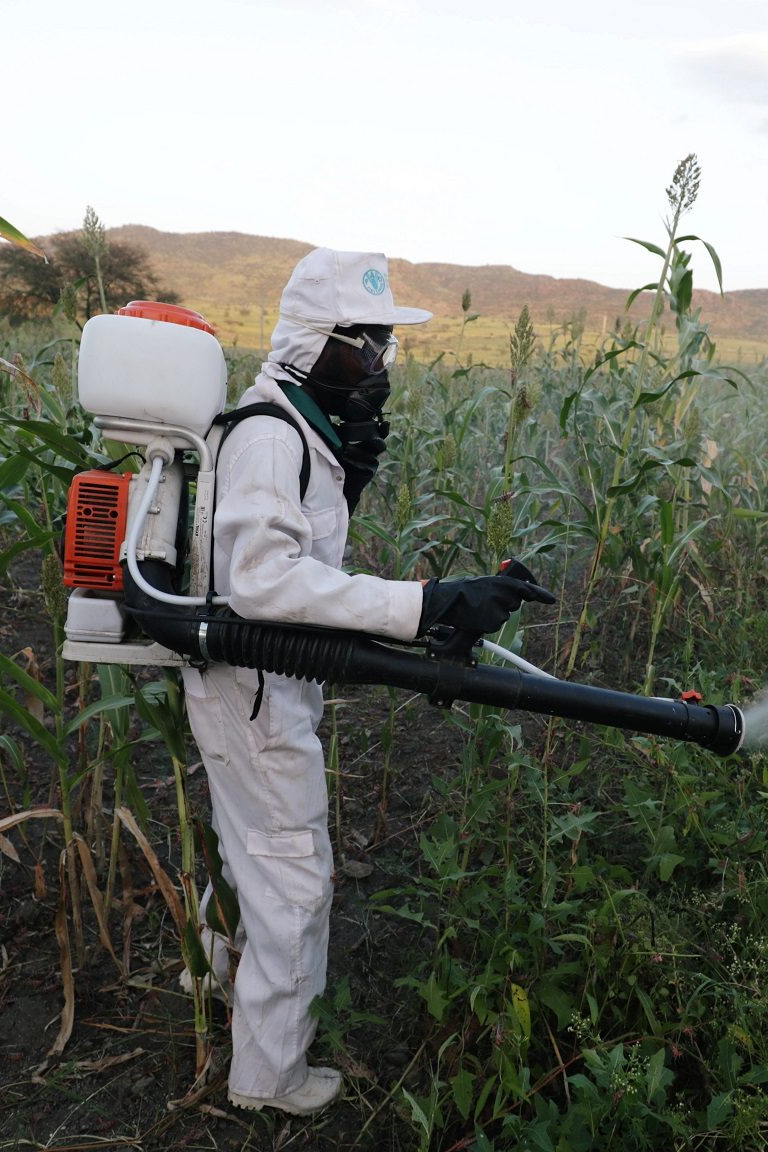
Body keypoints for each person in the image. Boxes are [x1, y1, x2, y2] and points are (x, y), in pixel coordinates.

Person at [179, 248, 554, 1116]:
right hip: (254, 691)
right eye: (370, 345)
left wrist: (351, 473)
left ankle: (224, 991)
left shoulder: (300, 427)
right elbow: (263, 581)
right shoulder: (272, 434)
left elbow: (295, 557)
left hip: (266, 683)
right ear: (319, 341)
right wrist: (426, 603)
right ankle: (267, 1082)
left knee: (255, 857)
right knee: (292, 873)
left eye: (388, 346)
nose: (382, 365)